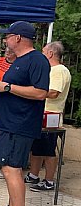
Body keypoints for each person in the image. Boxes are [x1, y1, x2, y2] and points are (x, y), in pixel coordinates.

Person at [0, 21, 49, 206]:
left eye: (8, 36)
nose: (5, 39)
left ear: (18, 38)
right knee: (8, 167)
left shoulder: (37, 60)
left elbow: (41, 92)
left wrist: (7, 87)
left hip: (19, 124)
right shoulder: (19, 60)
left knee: (11, 168)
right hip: (8, 123)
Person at [25, 41, 70, 192]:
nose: (41, 55)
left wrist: (34, 92)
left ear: (50, 53)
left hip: (51, 115)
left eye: (43, 52)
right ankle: (33, 175)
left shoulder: (59, 71)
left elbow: (54, 92)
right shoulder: (50, 70)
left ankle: (49, 180)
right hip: (41, 113)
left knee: (48, 149)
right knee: (37, 147)